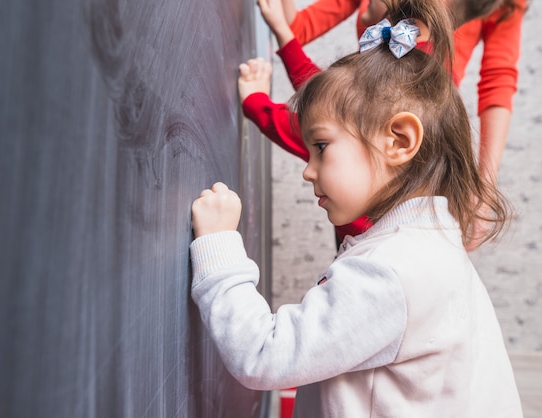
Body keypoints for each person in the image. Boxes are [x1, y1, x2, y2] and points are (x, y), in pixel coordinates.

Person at [190, 0, 522, 415]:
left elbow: (263, 353)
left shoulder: (390, 272)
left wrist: (218, 245)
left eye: (321, 148)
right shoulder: (428, 245)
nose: (308, 171)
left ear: (399, 141)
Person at [270, 0, 526, 250]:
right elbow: (304, 36)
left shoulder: (415, 87)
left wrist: (257, 104)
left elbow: (498, 81)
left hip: (409, 145)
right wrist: (284, 31)